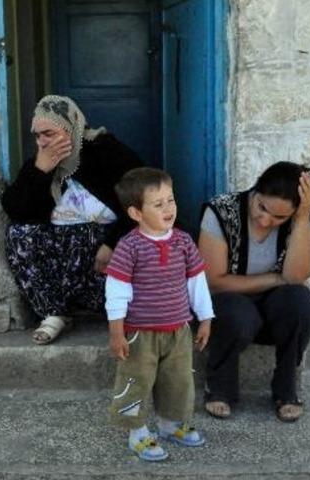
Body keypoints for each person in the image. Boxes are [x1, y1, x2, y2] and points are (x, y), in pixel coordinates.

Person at [1, 95, 143, 345]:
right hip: (66, 260)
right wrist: (40, 171)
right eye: (37, 136)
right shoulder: (41, 162)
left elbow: (143, 199)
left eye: (49, 134)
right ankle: (54, 312)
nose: (42, 142)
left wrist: (112, 243)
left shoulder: (105, 151)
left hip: (105, 256)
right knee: (18, 234)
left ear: (70, 128)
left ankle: (119, 311)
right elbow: (17, 210)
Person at [105, 168, 214, 461]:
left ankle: (170, 425)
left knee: (178, 381)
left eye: (171, 200)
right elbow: (117, 290)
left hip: (178, 329)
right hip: (141, 333)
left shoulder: (183, 241)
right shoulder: (130, 247)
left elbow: (196, 281)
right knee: (136, 382)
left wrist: (205, 318)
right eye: (158, 204)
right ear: (136, 213)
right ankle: (138, 434)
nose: (169, 209)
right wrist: (117, 332)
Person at [198, 161, 310, 423]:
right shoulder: (221, 210)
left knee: (302, 303)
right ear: (256, 190)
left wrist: (301, 219)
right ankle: (220, 387)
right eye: (261, 207)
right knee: (237, 313)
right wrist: (276, 278)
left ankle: (286, 388)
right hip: (228, 304)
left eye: (279, 217)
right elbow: (213, 281)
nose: (265, 220)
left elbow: (296, 277)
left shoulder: (304, 218)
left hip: (273, 309)